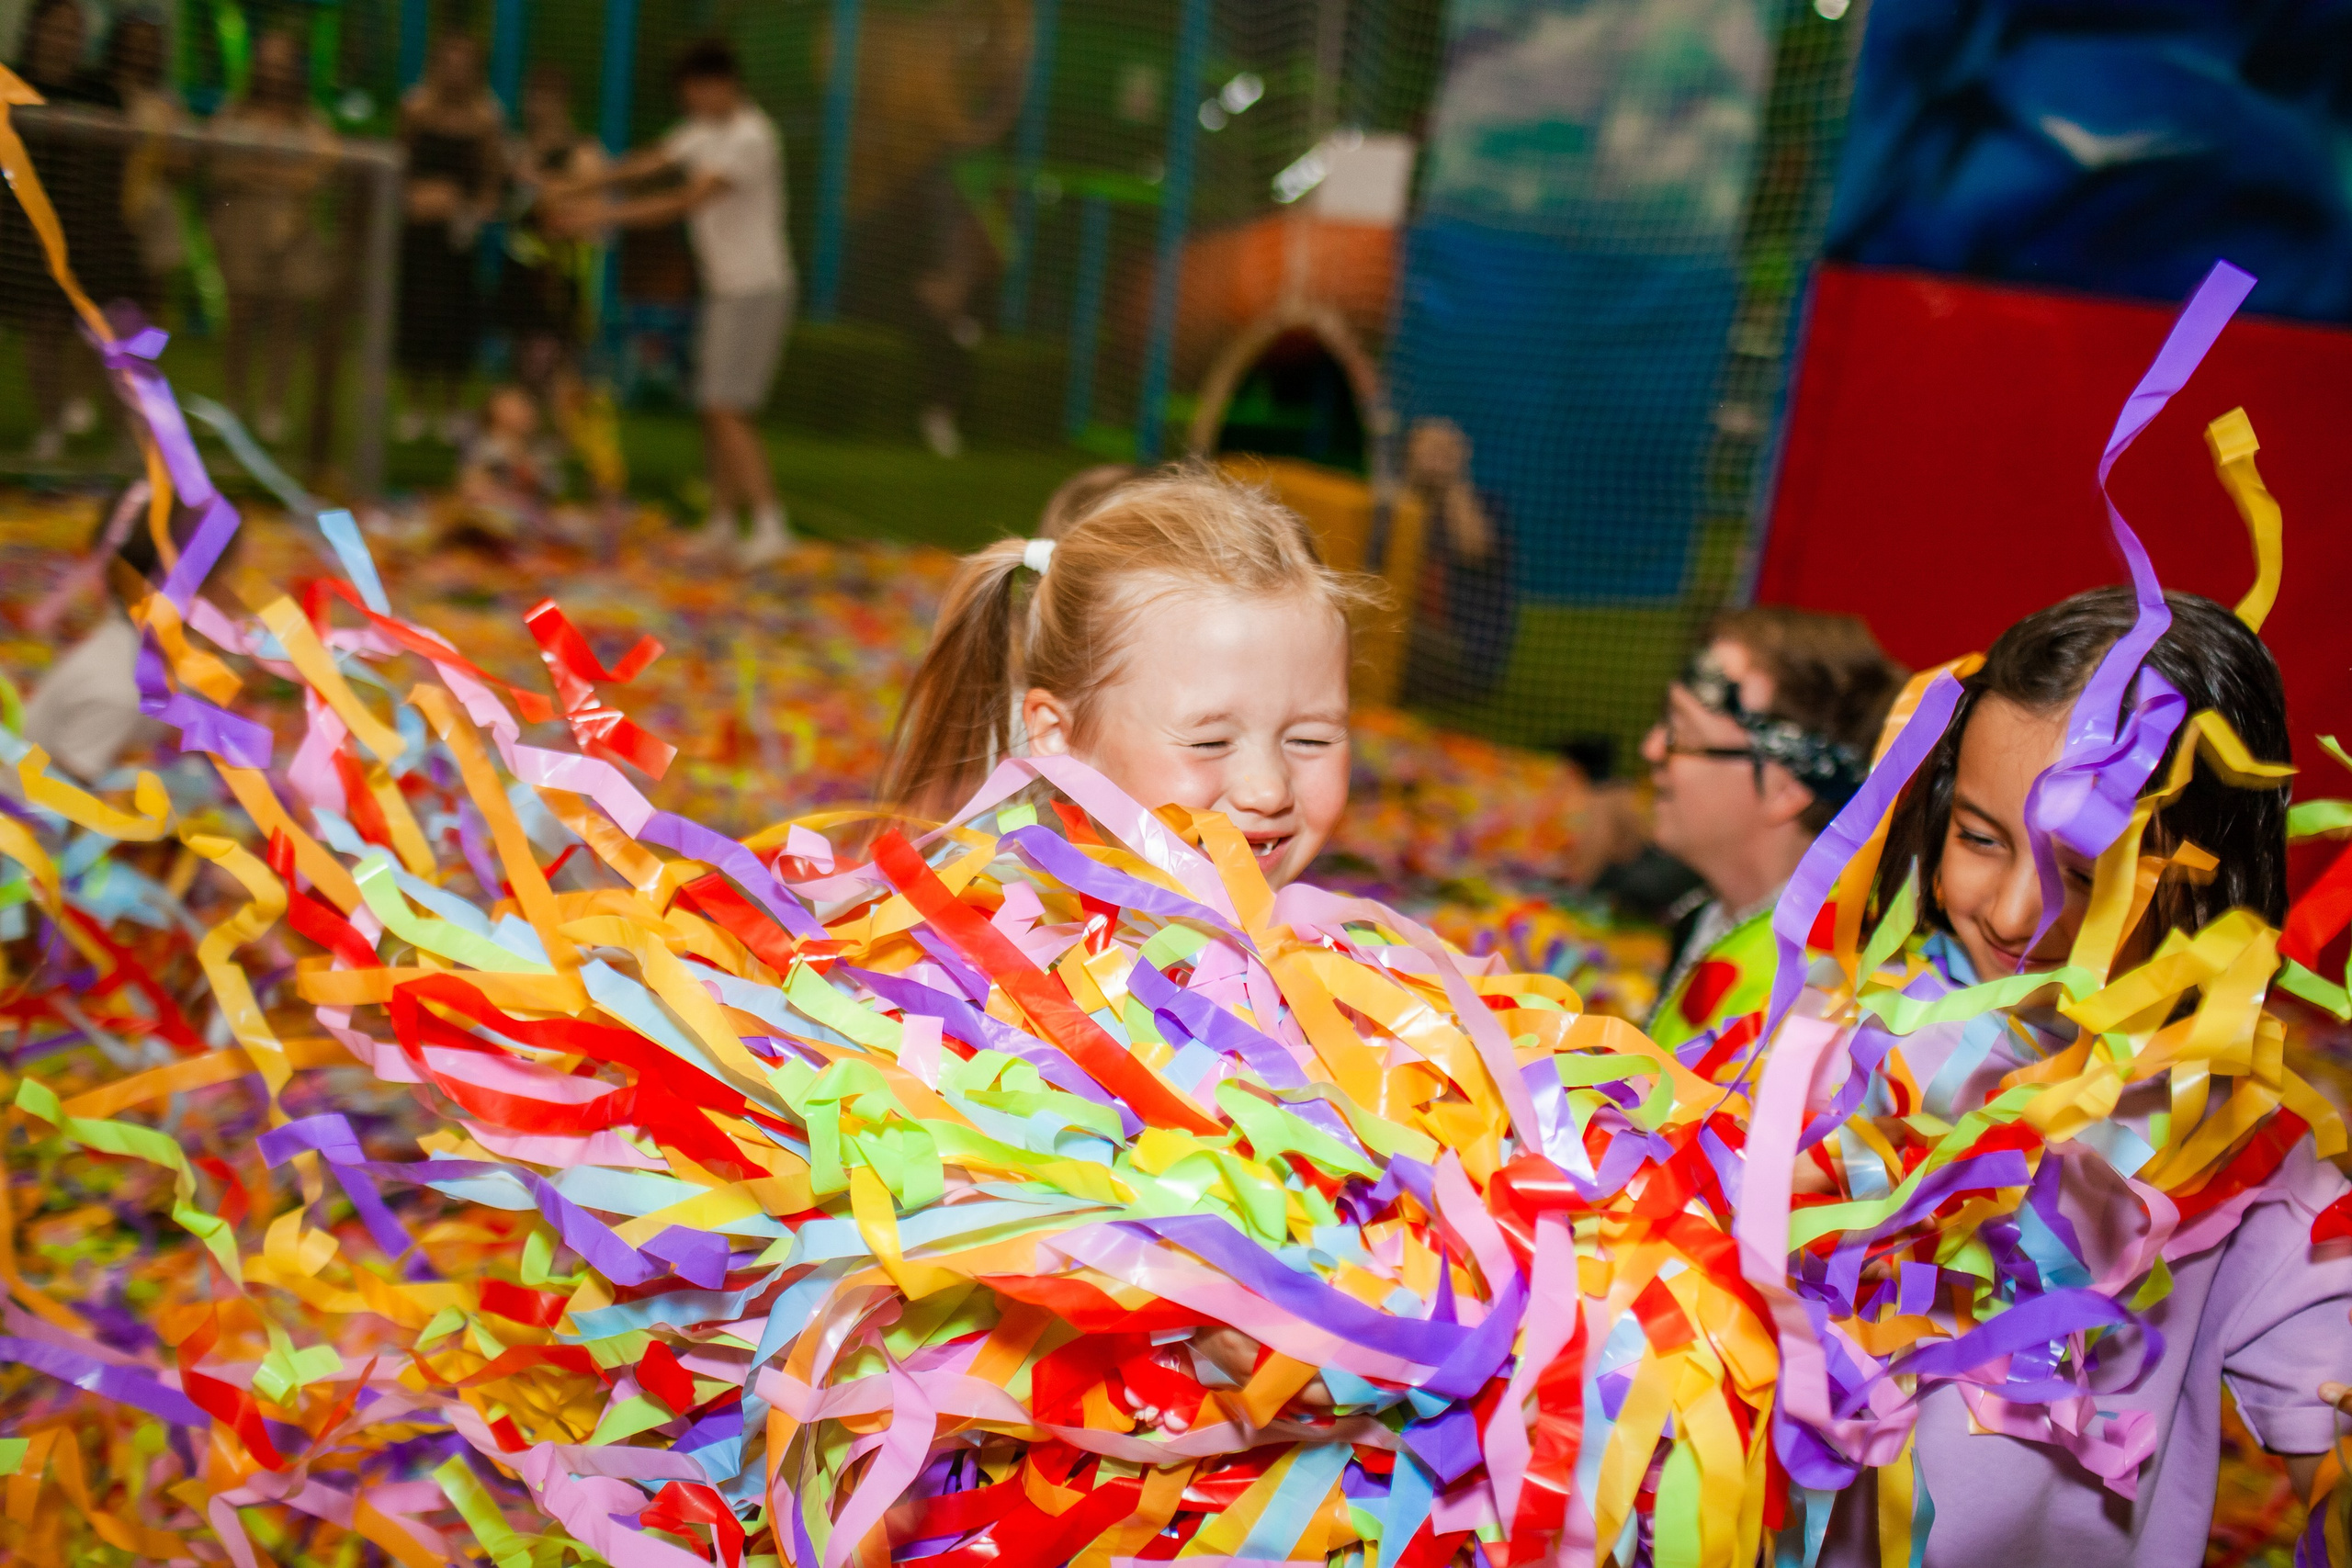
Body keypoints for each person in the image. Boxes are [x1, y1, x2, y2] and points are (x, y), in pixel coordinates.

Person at [1808, 586, 2352, 1563]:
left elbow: (2327, 1376)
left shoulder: (2238, 1147)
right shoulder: (1838, 1046)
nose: (2014, 914)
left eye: (2086, 872)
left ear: (2206, 873)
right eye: (1978, 838)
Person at [879, 462, 1379, 891]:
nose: (1269, 792)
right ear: (1056, 734)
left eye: (1310, 739)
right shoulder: (991, 938)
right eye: (1209, 743)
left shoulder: (1319, 960)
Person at [560, 38, 791, 568]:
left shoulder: (750, 137)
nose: (691, 103)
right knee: (714, 406)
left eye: (697, 91)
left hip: (756, 289)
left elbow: (683, 201)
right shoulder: (704, 131)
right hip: (726, 289)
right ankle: (725, 523)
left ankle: (771, 523)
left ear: (723, 84)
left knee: (727, 407)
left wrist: (598, 216)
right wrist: (577, 185)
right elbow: (649, 164)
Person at [1641, 605, 1906, 1048]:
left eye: (1681, 733)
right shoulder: (1721, 915)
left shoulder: (1811, 993)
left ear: (1785, 790)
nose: (1651, 749)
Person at [2, 0, 140, 462]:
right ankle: (50, 424)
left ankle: (123, 431)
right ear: (36, 31)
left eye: (74, 32)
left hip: (90, 232)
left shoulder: (100, 92)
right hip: (26, 231)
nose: (64, 39)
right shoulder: (10, 82)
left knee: (107, 330)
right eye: (57, 29)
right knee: (40, 327)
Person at [208, 28, 338, 446]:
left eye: (283, 61)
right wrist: (272, 175)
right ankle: (232, 402)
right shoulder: (236, 111)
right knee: (240, 315)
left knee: (287, 316)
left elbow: (324, 168)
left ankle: (272, 407)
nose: (274, 70)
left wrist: (265, 172)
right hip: (242, 223)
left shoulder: (310, 118)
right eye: (268, 60)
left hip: (294, 227)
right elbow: (216, 162)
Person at [394, 32, 503, 446]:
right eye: (448, 59)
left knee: (456, 321)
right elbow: (397, 166)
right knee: (415, 316)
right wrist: (412, 202)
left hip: (459, 241)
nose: (456, 70)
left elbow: (491, 182)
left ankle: (454, 408)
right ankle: (414, 407)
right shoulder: (415, 108)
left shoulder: (486, 118)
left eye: (465, 61)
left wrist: (471, 214)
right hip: (417, 234)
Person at [496, 66, 605, 396]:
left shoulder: (583, 151)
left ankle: (559, 430)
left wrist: (541, 187)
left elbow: (590, 213)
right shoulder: (518, 149)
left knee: (558, 353)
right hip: (521, 264)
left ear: (562, 102)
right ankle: (524, 424)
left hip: (560, 270)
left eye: (545, 97)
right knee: (524, 350)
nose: (535, 105)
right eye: (531, 96)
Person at [1396, 416, 1515, 707]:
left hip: (1464, 653)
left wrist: (1454, 481)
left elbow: (1474, 549)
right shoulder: (1406, 508)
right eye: (1429, 447)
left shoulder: (1487, 507)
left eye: (1447, 448)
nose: (1437, 455)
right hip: (1412, 639)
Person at [107, 10, 187, 320]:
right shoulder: (105, 94)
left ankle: (143, 365)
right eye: (134, 42)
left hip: (155, 213)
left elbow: (183, 166)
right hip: (109, 207)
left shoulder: (167, 100)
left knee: (152, 299)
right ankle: (99, 365)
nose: (141, 51)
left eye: (148, 44)